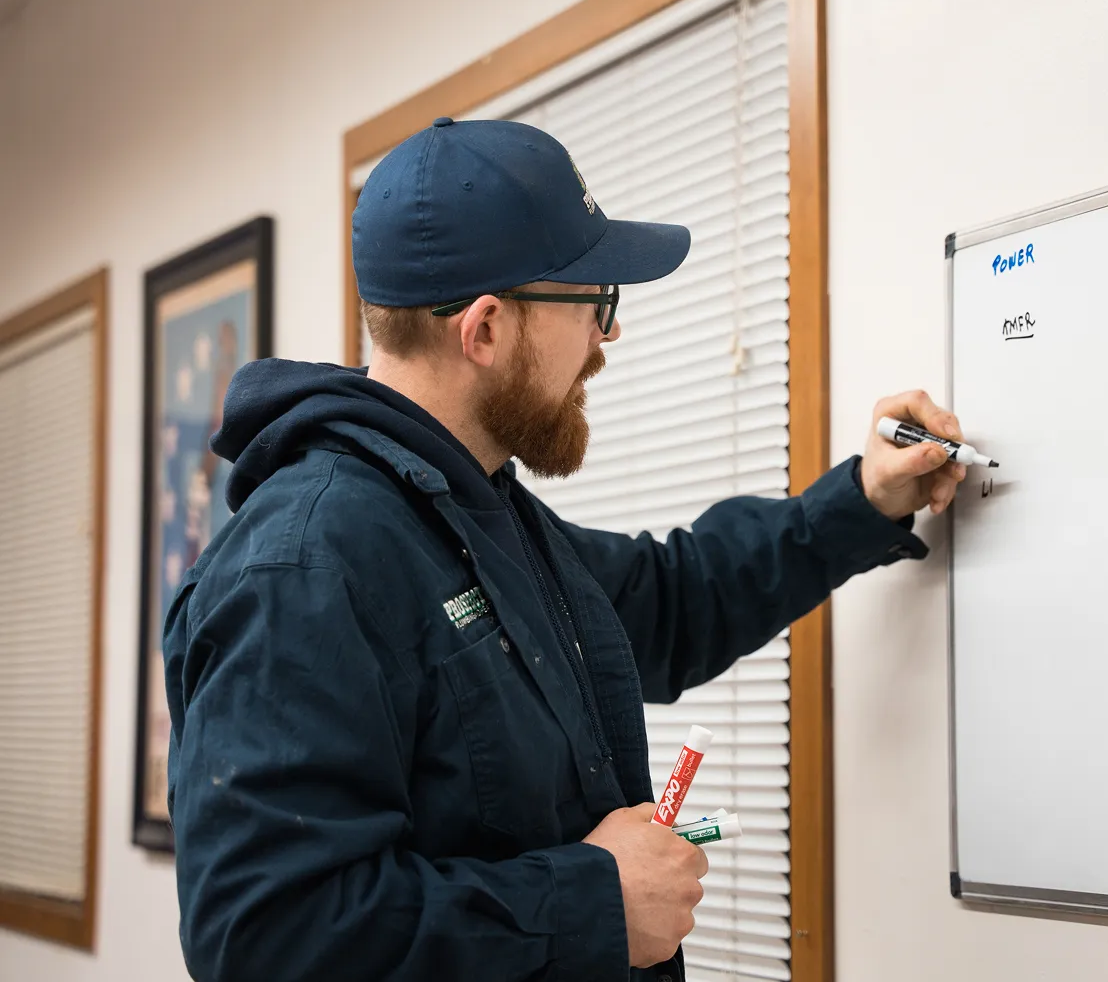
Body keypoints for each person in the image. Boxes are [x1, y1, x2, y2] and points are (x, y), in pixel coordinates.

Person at [161, 117, 971, 982]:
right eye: (594, 303)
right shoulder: (304, 565)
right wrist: (594, 905)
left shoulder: (482, 517)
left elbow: (670, 599)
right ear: (485, 329)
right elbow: (268, 942)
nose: (604, 339)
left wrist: (864, 498)